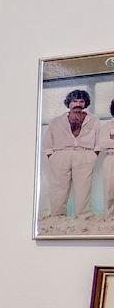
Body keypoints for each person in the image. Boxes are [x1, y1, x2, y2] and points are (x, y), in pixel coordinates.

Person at [42, 89, 101, 218]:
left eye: (81, 101)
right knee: (59, 187)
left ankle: (83, 215)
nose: (78, 104)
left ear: (85, 103)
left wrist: (92, 156)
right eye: (74, 101)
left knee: (83, 187)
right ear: (69, 103)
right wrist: (52, 157)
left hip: (84, 154)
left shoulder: (94, 120)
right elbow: (47, 143)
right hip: (61, 154)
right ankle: (57, 216)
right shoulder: (56, 121)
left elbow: (99, 141)